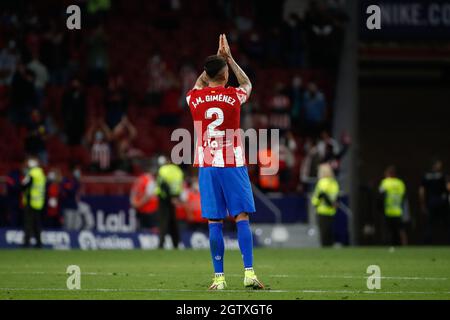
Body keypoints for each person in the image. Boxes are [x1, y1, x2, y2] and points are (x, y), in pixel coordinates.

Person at [186, 34, 264, 290]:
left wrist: (214, 64)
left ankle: (219, 279)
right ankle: (249, 274)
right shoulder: (233, 96)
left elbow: (201, 83)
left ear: (207, 76)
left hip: (208, 166)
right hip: (232, 164)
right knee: (241, 217)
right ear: (226, 75)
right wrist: (228, 58)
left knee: (214, 221)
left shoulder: (194, 98)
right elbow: (248, 83)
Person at [155, 156, 184, 249]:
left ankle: (161, 243)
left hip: (164, 198)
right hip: (174, 199)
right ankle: (176, 243)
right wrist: (175, 197)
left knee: (163, 221)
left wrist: (169, 196)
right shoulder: (179, 171)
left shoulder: (163, 169)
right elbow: (179, 186)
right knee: (173, 221)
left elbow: (163, 184)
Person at [419, 159, 450, 245]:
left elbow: (421, 191)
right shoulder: (443, 175)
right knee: (446, 222)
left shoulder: (426, 176)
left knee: (430, 223)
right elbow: (448, 187)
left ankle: (427, 243)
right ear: (435, 165)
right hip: (441, 201)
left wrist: (422, 204)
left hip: (431, 202)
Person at [311, 163, 339, 247]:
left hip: (322, 210)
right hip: (331, 211)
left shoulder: (323, 182)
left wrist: (316, 204)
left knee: (324, 234)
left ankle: (325, 250)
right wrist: (333, 205)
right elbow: (335, 196)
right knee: (329, 232)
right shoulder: (334, 182)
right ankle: (330, 248)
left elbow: (322, 194)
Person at [379, 166, 407, 246]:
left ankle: (387, 245)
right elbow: (403, 196)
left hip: (388, 211)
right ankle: (404, 246)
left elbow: (380, 196)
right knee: (401, 230)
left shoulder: (385, 182)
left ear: (389, 174)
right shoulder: (400, 183)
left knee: (388, 230)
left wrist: (380, 208)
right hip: (398, 210)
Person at [21, 157, 46, 248]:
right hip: (39, 202)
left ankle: (26, 242)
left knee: (28, 223)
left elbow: (24, 185)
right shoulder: (41, 173)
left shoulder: (32, 173)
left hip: (31, 201)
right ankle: (39, 243)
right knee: (37, 224)